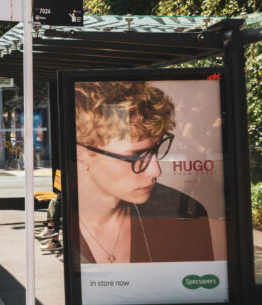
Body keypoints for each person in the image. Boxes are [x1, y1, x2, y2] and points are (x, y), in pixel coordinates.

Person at [75, 81, 213, 264]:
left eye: (156, 150)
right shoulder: (63, 229)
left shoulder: (184, 219)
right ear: (82, 155)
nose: (156, 171)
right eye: (134, 157)